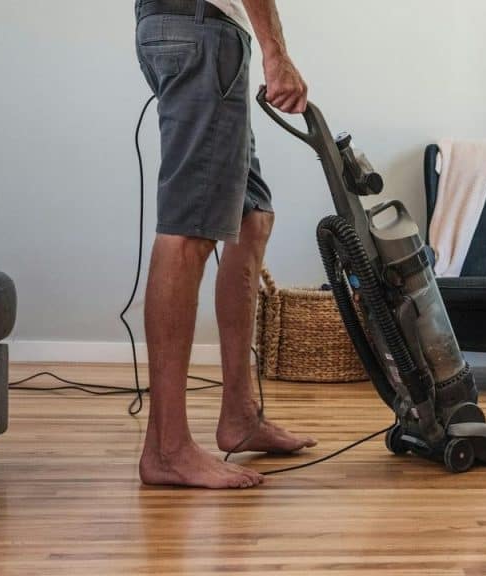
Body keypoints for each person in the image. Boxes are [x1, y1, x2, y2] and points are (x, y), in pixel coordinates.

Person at [134, 0, 316, 489]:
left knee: (252, 215)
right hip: (201, 30)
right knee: (189, 230)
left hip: (190, 28)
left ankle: (239, 416)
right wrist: (276, 54)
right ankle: (167, 450)